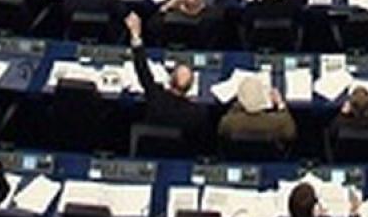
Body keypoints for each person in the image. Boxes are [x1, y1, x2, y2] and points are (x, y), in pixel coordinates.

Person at [124, 10, 207, 146]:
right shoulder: (197, 112)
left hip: (150, 147)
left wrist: (135, 35)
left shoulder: (156, 97)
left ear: (170, 79)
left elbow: (142, 69)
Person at [217, 73, 297, 149]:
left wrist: (241, 102)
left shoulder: (228, 122)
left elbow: (222, 134)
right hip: (271, 157)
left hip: (238, 156)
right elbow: (291, 134)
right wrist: (280, 104)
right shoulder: (280, 122)